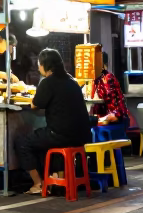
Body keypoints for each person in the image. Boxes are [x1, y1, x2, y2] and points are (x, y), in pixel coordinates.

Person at [13, 48, 91, 194]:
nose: (38, 67)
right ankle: (53, 179)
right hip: (81, 136)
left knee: (22, 142)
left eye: (39, 64)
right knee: (41, 140)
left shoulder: (48, 82)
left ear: (45, 65)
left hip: (60, 135)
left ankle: (38, 184)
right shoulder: (71, 81)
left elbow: (35, 105)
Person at [90, 52, 129, 127]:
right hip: (103, 119)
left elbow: (115, 112)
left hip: (114, 121)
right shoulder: (95, 80)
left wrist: (102, 120)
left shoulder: (107, 78)